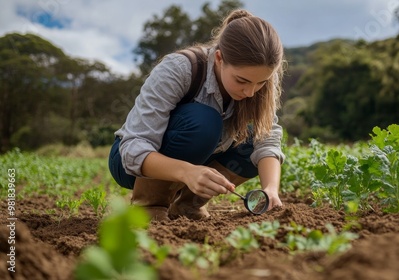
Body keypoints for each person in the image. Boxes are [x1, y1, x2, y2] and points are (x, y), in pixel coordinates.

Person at [108, 9, 285, 221]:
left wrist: (271, 190)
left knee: (250, 144)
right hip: (132, 165)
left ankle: (187, 205)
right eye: (241, 81)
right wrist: (186, 172)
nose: (250, 92)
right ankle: (150, 205)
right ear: (219, 58)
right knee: (204, 121)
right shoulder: (179, 69)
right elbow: (133, 148)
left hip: (196, 161)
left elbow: (267, 139)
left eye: (261, 83)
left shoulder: (258, 77)